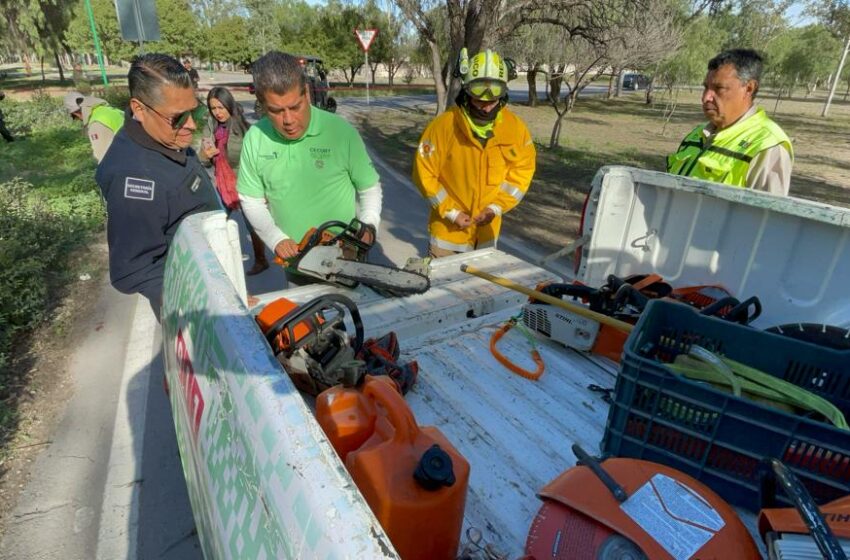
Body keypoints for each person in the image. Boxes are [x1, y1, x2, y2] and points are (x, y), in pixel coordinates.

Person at [237, 51, 382, 283]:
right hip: (296, 265)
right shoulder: (255, 138)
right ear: (262, 104)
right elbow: (250, 199)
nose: (288, 120)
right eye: (276, 110)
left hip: (345, 260)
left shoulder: (341, 132)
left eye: (295, 107)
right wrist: (275, 239)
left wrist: (369, 223)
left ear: (306, 93)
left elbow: (369, 187)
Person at [95, 53, 220, 319]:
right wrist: (205, 299)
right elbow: (132, 270)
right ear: (139, 109)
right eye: (177, 118)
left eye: (194, 110)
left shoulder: (164, 136)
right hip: (197, 308)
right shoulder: (135, 180)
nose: (191, 125)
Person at [412, 48, 536, 258]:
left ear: (503, 92)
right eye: (479, 97)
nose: (486, 106)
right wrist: (452, 213)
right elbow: (424, 174)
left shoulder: (516, 129)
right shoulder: (443, 127)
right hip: (448, 235)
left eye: (493, 98)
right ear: (467, 92)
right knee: (443, 289)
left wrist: (495, 208)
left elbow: (521, 173)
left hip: (486, 234)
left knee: (478, 290)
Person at [667, 49, 793, 196]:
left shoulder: (768, 146)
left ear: (749, 88)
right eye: (706, 87)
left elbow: (765, 217)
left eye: (719, 88)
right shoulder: (695, 135)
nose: (706, 97)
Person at [199, 86, 269, 275]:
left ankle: (261, 260)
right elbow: (203, 159)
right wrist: (206, 154)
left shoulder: (244, 129)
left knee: (252, 224)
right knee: (217, 222)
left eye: (221, 107)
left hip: (243, 183)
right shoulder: (211, 126)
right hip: (222, 183)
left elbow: (257, 160)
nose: (218, 113)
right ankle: (220, 264)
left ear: (229, 105)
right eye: (213, 108)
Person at [64, 91, 124, 162]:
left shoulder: (97, 123)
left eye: (74, 117)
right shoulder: (110, 111)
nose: (78, 120)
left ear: (76, 113)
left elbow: (103, 158)